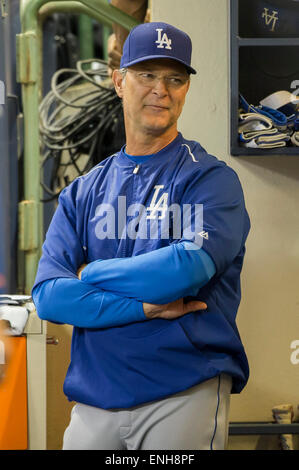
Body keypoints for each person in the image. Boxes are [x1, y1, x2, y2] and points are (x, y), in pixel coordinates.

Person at [32, 22, 251, 450]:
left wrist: (90, 272)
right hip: (94, 400)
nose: (161, 89)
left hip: (183, 390)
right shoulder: (83, 191)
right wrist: (146, 309)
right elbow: (49, 297)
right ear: (118, 81)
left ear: (186, 89)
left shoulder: (209, 179)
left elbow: (186, 271)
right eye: (146, 75)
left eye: (174, 78)